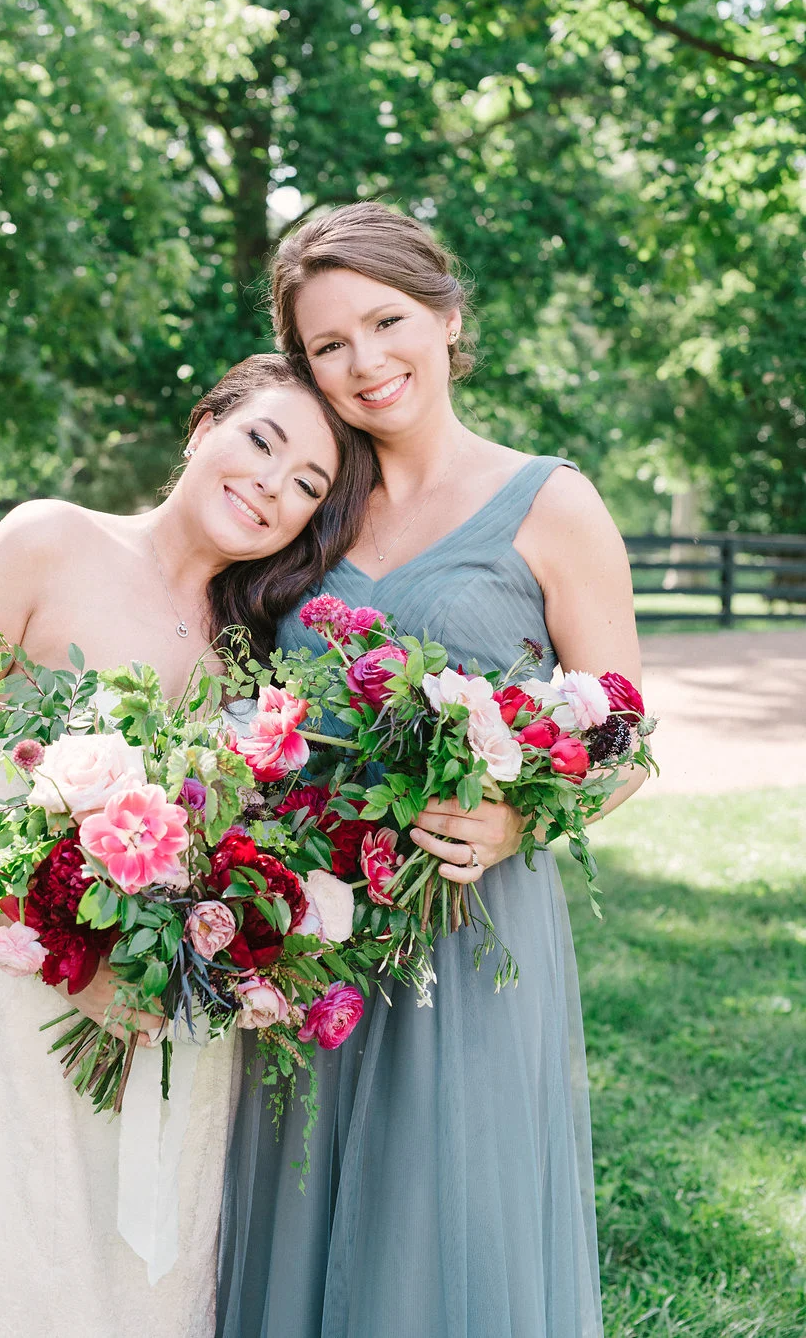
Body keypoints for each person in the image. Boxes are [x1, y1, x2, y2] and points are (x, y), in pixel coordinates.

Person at [0, 353, 376, 1338]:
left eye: (307, 486)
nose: (272, 484)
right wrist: (67, 961)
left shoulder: (254, 642)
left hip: (178, 1038)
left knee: (159, 1300)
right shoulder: (49, 541)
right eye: (262, 440)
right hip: (30, 1014)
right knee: (14, 1289)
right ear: (202, 424)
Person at [217, 203, 646, 1338]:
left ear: (449, 318)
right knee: (301, 1207)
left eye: (386, 320)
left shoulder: (551, 502)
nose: (364, 362)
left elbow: (624, 732)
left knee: (444, 1228)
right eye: (327, 345)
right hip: (305, 931)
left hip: (469, 926)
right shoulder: (301, 505)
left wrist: (518, 817)